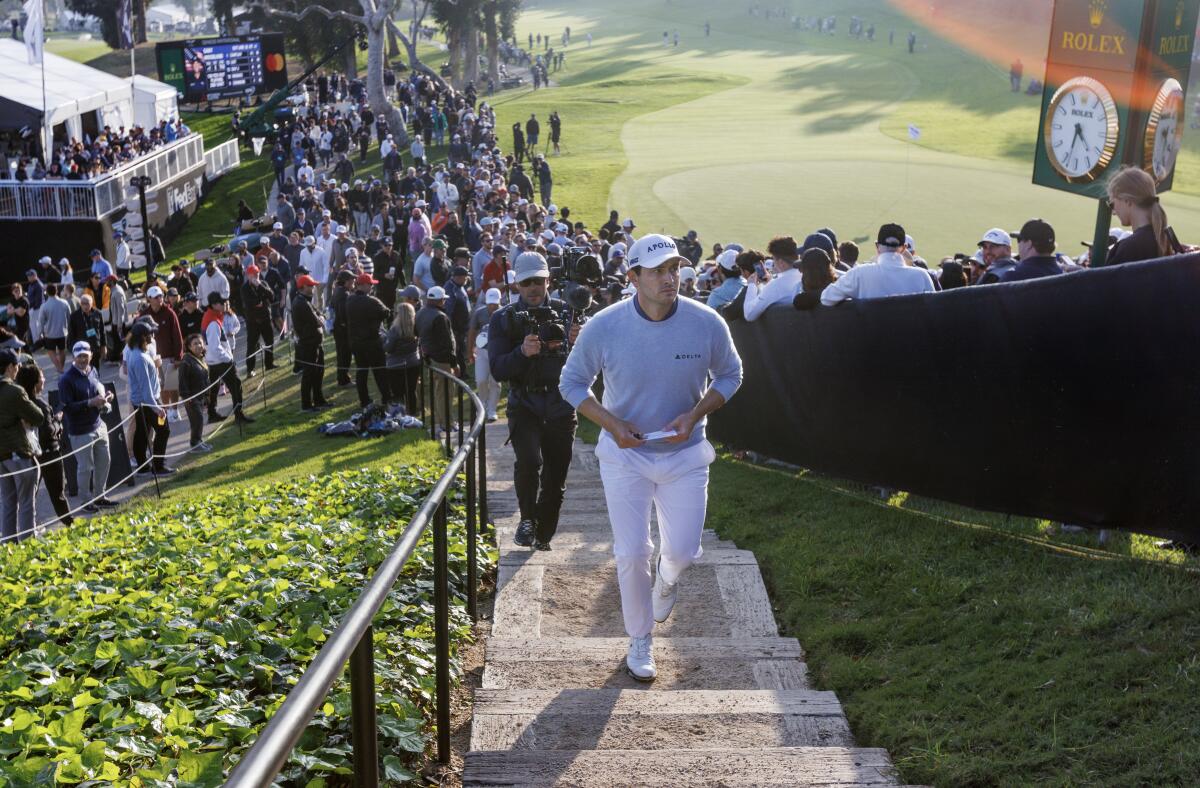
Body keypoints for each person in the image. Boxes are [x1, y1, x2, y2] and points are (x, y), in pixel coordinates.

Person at [559, 234, 743, 681]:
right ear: (634, 277)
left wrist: (696, 412)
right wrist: (612, 424)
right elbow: (572, 384)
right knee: (630, 550)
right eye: (658, 270)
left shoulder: (706, 321)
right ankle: (640, 639)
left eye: (674, 269)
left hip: (686, 453)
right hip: (625, 458)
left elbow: (732, 374)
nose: (669, 278)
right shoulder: (604, 325)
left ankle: (668, 576)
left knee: (682, 550)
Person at [487, 252, 580, 551]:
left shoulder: (568, 313)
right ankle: (527, 520)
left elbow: (591, 366)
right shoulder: (502, 318)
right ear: (516, 285)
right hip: (524, 402)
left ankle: (544, 532)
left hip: (561, 403)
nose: (534, 288)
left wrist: (579, 343)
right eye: (527, 282)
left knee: (555, 477)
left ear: (548, 280)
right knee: (528, 462)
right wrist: (521, 353)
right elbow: (498, 369)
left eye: (538, 281)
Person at [820, 223, 936, 305]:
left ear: (877, 246)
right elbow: (934, 310)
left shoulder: (859, 274)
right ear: (903, 248)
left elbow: (826, 298)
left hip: (870, 339)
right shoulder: (922, 277)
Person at [16, 363, 75, 523]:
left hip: (28, 455)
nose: (44, 379)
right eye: (42, 377)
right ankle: (70, 524)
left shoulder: (21, 403)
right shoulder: (40, 405)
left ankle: (25, 528)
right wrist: (58, 422)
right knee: (58, 495)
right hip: (49, 454)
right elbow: (47, 432)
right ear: (35, 383)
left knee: (27, 497)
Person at [59, 341, 114, 508]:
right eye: (79, 356)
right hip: (80, 432)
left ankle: (100, 496)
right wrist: (90, 402)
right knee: (85, 468)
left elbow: (97, 389)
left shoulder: (93, 370)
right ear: (74, 358)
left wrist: (105, 397)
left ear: (91, 355)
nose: (83, 359)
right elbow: (67, 407)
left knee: (105, 461)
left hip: (98, 425)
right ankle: (86, 501)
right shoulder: (66, 380)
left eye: (86, 355)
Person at [0, 349, 43, 542]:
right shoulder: (14, 391)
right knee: (27, 502)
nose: (18, 370)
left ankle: (8, 544)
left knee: (8, 502)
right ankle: (28, 544)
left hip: (2, 457)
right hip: (19, 452)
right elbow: (38, 417)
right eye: (16, 366)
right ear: (9, 367)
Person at [1106, 166, 1184, 265]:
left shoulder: (1129, 248)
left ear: (1127, 201)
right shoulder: (1166, 239)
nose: (1113, 212)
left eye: (1112, 204)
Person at [126, 322, 173, 476]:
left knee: (142, 432)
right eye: (150, 334)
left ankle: (142, 465)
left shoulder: (136, 352)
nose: (153, 336)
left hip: (142, 402)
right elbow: (146, 390)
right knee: (163, 430)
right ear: (142, 337)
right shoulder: (139, 358)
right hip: (147, 402)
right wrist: (158, 408)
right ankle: (158, 466)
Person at [203, 293, 252, 424]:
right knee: (236, 385)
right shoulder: (213, 322)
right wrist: (228, 358)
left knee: (214, 388)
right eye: (221, 303)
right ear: (214, 304)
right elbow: (215, 346)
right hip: (220, 360)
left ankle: (212, 413)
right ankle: (238, 414)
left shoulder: (211, 316)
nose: (224, 305)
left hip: (213, 360)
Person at [346, 273, 392, 407]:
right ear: (364, 285)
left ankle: (364, 400)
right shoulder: (372, 301)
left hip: (356, 342)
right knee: (380, 372)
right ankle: (386, 398)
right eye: (370, 284)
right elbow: (386, 313)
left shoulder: (349, 300)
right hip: (372, 342)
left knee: (362, 371)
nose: (372, 286)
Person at [416, 286, 458, 432]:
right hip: (442, 361)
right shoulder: (440, 317)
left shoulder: (420, 313)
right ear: (440, 300)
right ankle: (448, 425)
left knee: (439, 392)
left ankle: (443, 422)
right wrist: (454, 364)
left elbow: (418, 335)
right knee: (445, 393)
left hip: (429, 359)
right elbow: (447, 344)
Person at [140, 286, 185, 419]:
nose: (159, 299)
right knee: (161, 386)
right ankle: (166, 410)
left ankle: (175, 409)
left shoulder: (169, 313)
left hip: (170, 356)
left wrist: (178, 356)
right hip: (153, 358)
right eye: (156, 297)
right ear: (149, 299)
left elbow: (177, 335)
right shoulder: (144, 315)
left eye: (160, 296)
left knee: (173, 384)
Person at [292, 275, 330, 412]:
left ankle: (319, 400)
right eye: (311, 285)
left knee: (318, 372)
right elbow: (319, 321)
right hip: (308, 344)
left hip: (315, 342)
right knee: (309, 374)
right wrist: (321, 317)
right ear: (303, 287)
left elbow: (320, 315)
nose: (313, 287)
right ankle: (306, 405)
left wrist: (321, 317)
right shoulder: (301, 303)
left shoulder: (305, 300)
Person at [742, 236, 803, 321]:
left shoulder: (776, 285)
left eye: (774, 259)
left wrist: (752, 285)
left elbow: (749, 314)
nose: (773, 263)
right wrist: (769, 282)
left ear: (781, 262)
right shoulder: (806, 275)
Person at [468, 287, 504, 421]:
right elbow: (471, 332)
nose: (492, 306)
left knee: (495, 381)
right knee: (481, 380)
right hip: (482, 350)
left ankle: (492, 410)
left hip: (499, 351)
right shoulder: (479, 313)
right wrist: (469, 352)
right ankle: (482, 405)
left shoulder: (505, 311)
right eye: (490, 303)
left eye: (495, 303)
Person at [384, 301, 422, 415]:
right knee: (411, 390)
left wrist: (383, 341)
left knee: (398, 392)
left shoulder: (394, 330)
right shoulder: (416, 328)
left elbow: (388, 348)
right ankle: (413, 412)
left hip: (395, 364)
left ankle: (401, 414)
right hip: (413, 362)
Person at [240, 265, 277, 377]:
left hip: (266, 319)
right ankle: (250, 370)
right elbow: (248, 303)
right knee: (251, 345)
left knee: (269, 341)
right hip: (253, 322)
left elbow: (271, 297)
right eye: (253, 274)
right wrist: (260, 301)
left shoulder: (263, 284)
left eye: (257, 273)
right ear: (248, 275)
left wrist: (260, 286)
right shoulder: (244, 288)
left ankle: (269, 364)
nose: (256, 276)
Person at [179, 333, 213, 452]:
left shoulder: (201, 358)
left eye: (200, 343)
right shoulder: (186, 361)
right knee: (197, 420)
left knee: (199, 420)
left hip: (201, 396)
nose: (198, 346)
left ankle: (198, 441)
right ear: (189, 347)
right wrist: (187, 397)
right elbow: (182, 381)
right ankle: (195, 444)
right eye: (195, 344)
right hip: (191, 397)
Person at [37, 283, 72, 373]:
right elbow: (69, 317)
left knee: (50, 351)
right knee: (62, 350)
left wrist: (39, 333)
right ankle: (61, 367)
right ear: (57, 291)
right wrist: (69, 329)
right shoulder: (64, 303)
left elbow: (41, 321)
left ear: (47, 293)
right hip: (63, 332)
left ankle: (59, 367)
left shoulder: (44, 306)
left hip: (50, 333)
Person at [331, 270, 355, 387]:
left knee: (342, 354)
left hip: (338, 328)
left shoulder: (337, 290)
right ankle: (343, 380)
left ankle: (343, 377)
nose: (354, 281)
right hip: (342, 330)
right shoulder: (344, 294)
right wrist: (346, 324)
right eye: (352, 279)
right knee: (345, 355)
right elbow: (342, 312)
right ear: (346, 281)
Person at [67, 293, 106, 363]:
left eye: (87, 303)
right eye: (82, 303)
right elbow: (71, 335)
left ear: (91, 303)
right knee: (84, 371)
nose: (85, 306)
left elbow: (102, 331)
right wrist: (72, 350)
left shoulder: (97, 314)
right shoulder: (74, 316)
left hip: (95, 348)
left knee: (95, 370)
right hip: (82, 350)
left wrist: (103, 347)